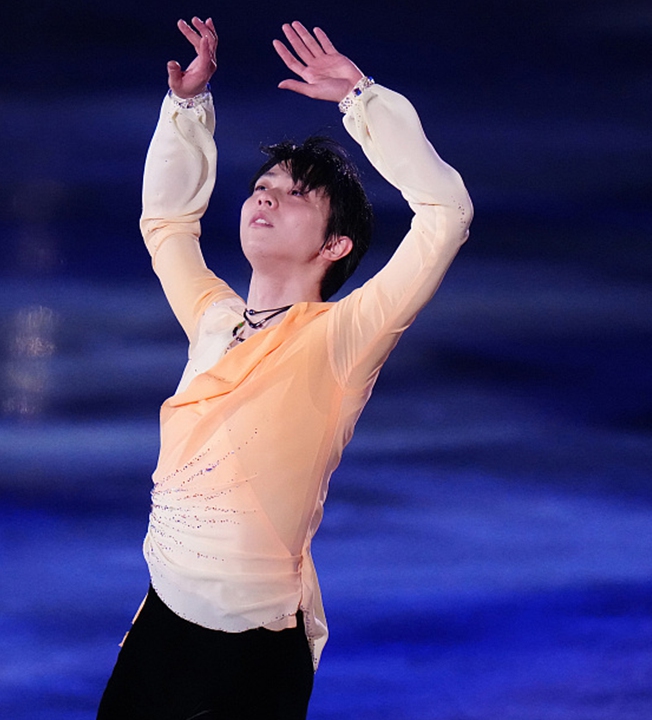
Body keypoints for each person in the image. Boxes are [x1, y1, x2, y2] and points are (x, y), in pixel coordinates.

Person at [97, 16, 473, 720]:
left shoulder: (343, 338)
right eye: (264, 184)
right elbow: (168, 226)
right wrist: (186, 111)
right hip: (160, 625)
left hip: (250, 651)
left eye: (296, 193)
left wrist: (360, 98)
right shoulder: (214, 319)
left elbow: (445, 214)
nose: (266, 196)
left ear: (335, 247)